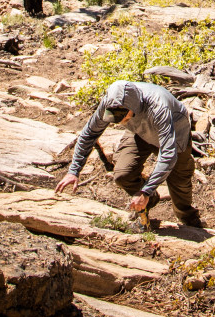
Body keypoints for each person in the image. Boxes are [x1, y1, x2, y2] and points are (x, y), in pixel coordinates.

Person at [58, 79, 203, 229]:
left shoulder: (159, 106)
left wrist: (146, 190)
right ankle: (149, 200)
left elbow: (168, 154)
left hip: (174, 136)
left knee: (179, 182)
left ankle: (189, 219)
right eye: (115, 117)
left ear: (133, 105)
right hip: (139, 132)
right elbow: (89, 134)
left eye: (123, 116)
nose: (120, 122)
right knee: (123, 174)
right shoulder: (110, 102)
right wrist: (73, 171)